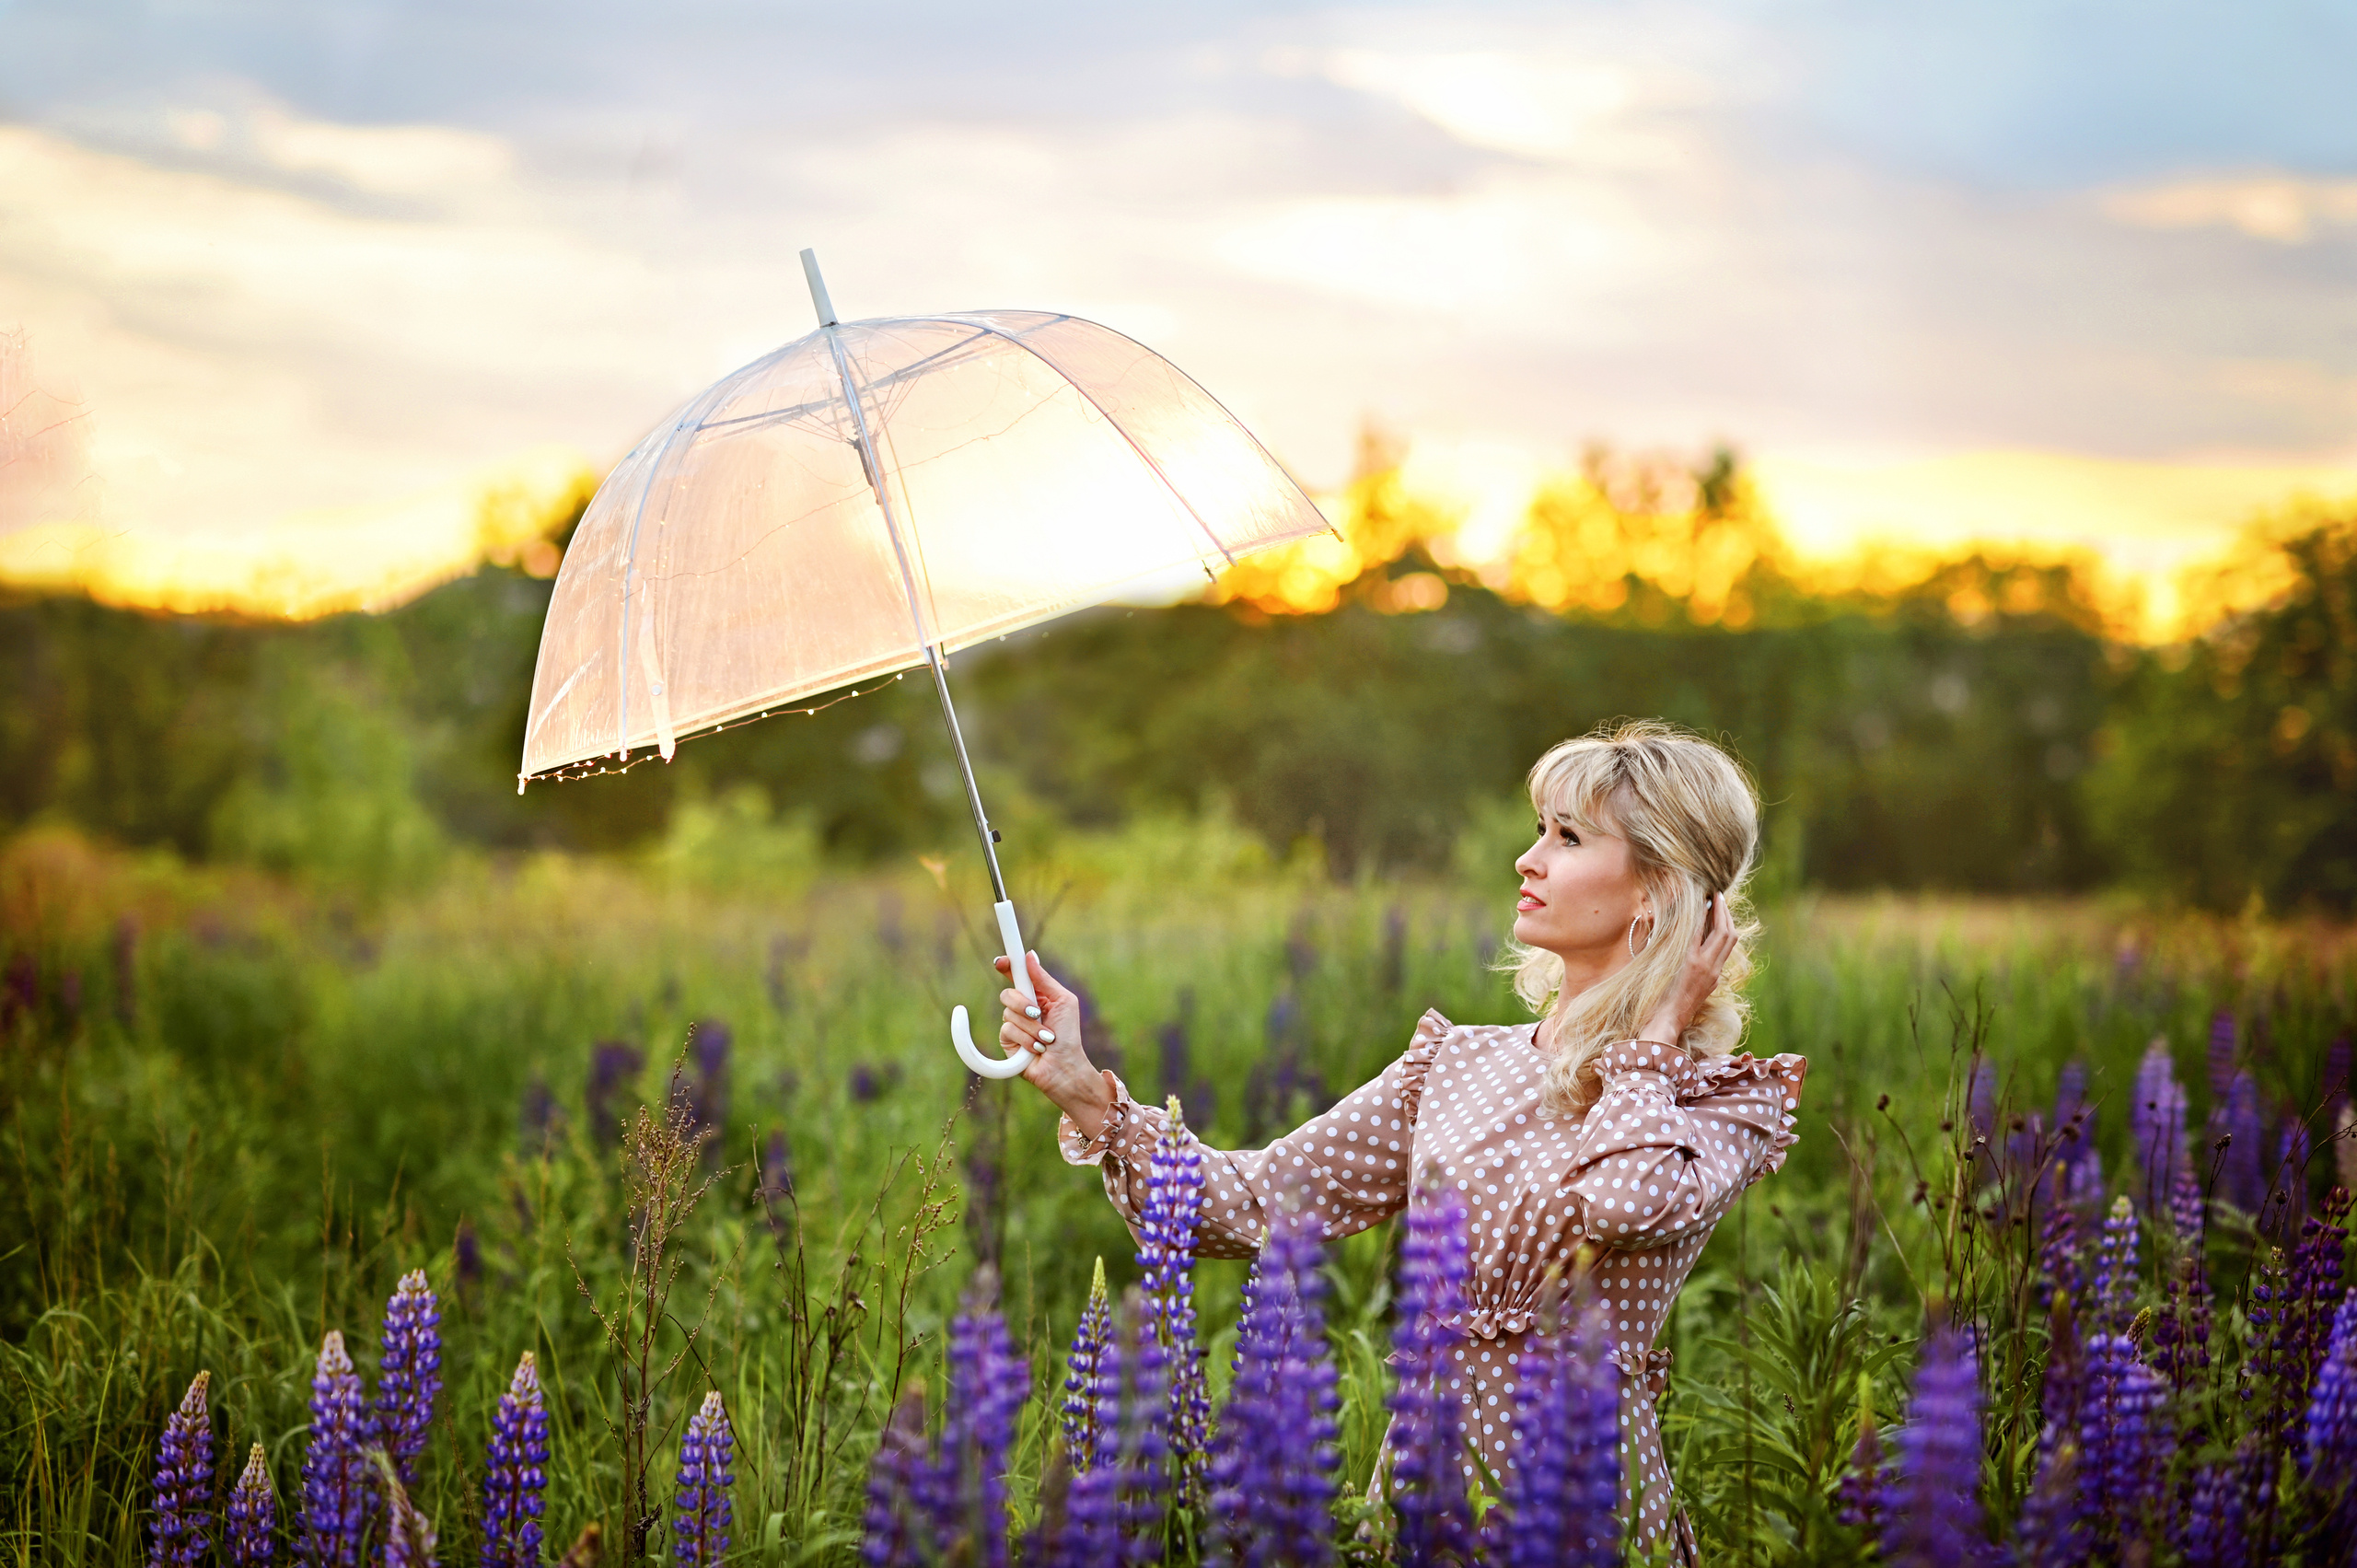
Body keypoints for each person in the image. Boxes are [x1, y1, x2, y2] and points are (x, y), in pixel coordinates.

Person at [993, 719, 1806, 1558]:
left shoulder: (1716, 1099)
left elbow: (1623, 1201)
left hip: (1583, 1500)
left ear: (1655, 887)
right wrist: (1084, 1088)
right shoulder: (1454, 1064)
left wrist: (1657, 1036)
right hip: (1424, 1491)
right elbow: (1254, 1205)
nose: (1528, 860)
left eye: (1567, 837)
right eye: (1539, 831)